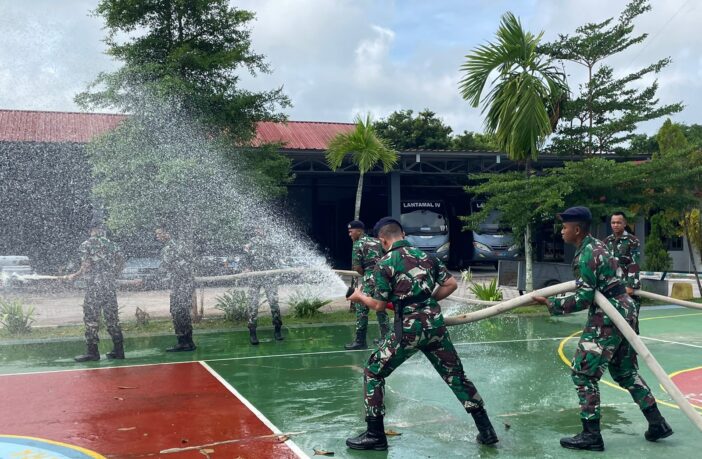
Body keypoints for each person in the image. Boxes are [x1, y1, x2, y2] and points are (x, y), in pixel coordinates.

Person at [345, 217, 498, 451]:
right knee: (456, 376)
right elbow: (450, 284)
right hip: (435, 327)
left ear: (382, 240)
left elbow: (377, 305)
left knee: (373, 372)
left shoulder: (384, 263)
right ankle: (487, 431)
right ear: (403, 233)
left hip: (408, 330)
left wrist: (358, 297)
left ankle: (375, 434)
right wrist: (425, 302)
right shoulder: (427, 256)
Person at [532, 206, 672, 451]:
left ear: (577, 230)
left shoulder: (587, 253)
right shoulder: (598, 245)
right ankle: (657, 423)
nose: (561, 232)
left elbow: (585, 297)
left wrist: (551, 304)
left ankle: (591, 435)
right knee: (626, 372)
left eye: (565, 227)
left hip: (609, 316)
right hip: (624, 311)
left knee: (583, 373)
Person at [66, 219, 125, 362]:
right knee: (112, 318)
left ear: (90, 230)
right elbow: (121, 262)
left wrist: (74, 275)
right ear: (102, 229)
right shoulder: (111, 244)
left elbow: (86, 266)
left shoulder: (86, 245)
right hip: (109, 287)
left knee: (91, 318)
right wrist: (112, 274)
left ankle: (92, 352)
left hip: (94, 287)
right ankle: (119, 351)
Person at [344, 220, 390, 350]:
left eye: (351, 231)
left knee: (361, 307)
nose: (350, 234)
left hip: (370, 276)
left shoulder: (357, 244)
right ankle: (386, 339)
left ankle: (360, 341)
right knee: (380, 307)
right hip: (383, 276)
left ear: (359, 231)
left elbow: (357, 267)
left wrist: (367, 274)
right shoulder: (377, 241)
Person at [156, 225, 197, 352]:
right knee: (184, 312)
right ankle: (189, 342)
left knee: (177, 312)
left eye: (159, 233)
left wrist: (147, 280)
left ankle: (182, 342)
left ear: (167, 233)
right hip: (186, 284)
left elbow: (163, 269)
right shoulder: (181, 245)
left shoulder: (168, 248)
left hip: (179, 285)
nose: (157, 237)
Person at [242, 229, 283, 345]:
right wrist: (246, 268)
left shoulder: (272, 242)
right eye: (257, 228)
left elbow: (278, 260)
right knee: (252, 305)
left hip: (269, 277)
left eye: (262, 228)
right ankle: (252, 332)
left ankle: (277, 329)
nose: (259, 231)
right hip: (254, 278)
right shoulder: (250, 244)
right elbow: (245, 259)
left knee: (274, 303)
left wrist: (276, 272)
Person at [604, 211, 642, 328]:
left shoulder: (632, 241)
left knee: (630, 320)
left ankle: (632, 345)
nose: (615, 225)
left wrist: (631, 285)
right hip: (611, 286)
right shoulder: (606, 241)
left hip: (627, 287)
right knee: (612, 321)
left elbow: (634, 264)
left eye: (618, 222)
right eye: (613, 222)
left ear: (624, 223)